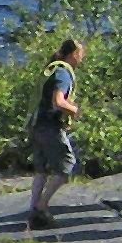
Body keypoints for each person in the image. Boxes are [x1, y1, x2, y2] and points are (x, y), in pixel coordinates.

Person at [26, 38, 82, 230]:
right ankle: (41, 208)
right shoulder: (63, 73)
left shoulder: (51, 68)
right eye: (80, 54)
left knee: (41, 170)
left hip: (35, 125)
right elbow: (58, 102)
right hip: (49, 127)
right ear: (73, 54)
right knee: (67, 166)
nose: (81, 59)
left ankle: (33, 210)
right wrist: (73, 110)